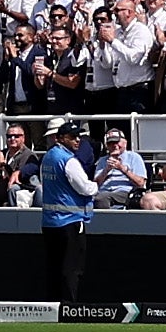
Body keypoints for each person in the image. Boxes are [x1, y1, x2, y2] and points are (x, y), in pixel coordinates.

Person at [37, 119, 95, 304]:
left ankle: (52, 306)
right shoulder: (68, 161)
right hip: (70, 221)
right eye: (72, 137)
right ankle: (69, 307)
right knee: (72, 268)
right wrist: (96, 185)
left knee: (53, 267)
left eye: (78, 136)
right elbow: (85, 188)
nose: (77, 140)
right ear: (60, 138)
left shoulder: (47, 157)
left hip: (49, 222)